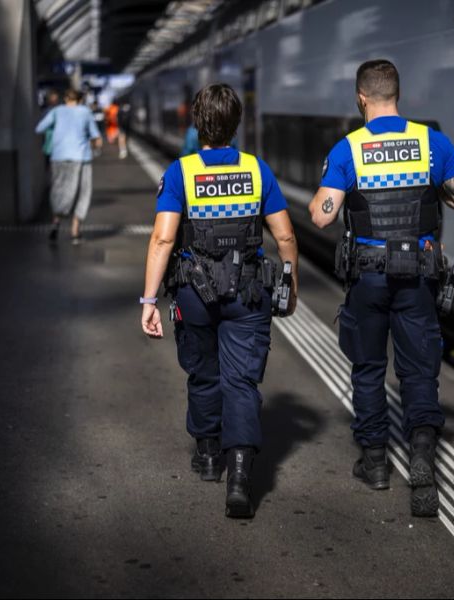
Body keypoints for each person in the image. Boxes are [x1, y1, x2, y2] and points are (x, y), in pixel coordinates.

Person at [309, 59, 454, 517]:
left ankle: (376, 463)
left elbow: (322, 215)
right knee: (419, 371)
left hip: (368, 277)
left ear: (361, 97)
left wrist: (336, 193)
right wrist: (437, 190)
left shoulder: (349, 149)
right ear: (397, 95)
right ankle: (422, 455)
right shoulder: (432, 142)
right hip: (418, 277)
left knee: (368, 369)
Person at [141, 83, 299, 519]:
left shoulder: (181, 172)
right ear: (236, 123)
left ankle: (209, 455)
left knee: (203, 372)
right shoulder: (257, 169)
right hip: (249, 291)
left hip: (194, 292)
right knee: (241, 382)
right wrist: (290, 284)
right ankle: (240, 479)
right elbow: (284, 235)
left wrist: (148, 299)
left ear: (197, 123)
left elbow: (163, 237)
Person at [35, 89, 102, 244]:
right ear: (80, 100)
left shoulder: (56, 111)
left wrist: (57, 131)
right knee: (82, 193)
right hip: (80, 158)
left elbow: (39, 128)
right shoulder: (85, 112)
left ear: (65, 99)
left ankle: (55, 223)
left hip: (58, 157)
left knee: (59, 191)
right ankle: (75, 232)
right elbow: (95, 136)